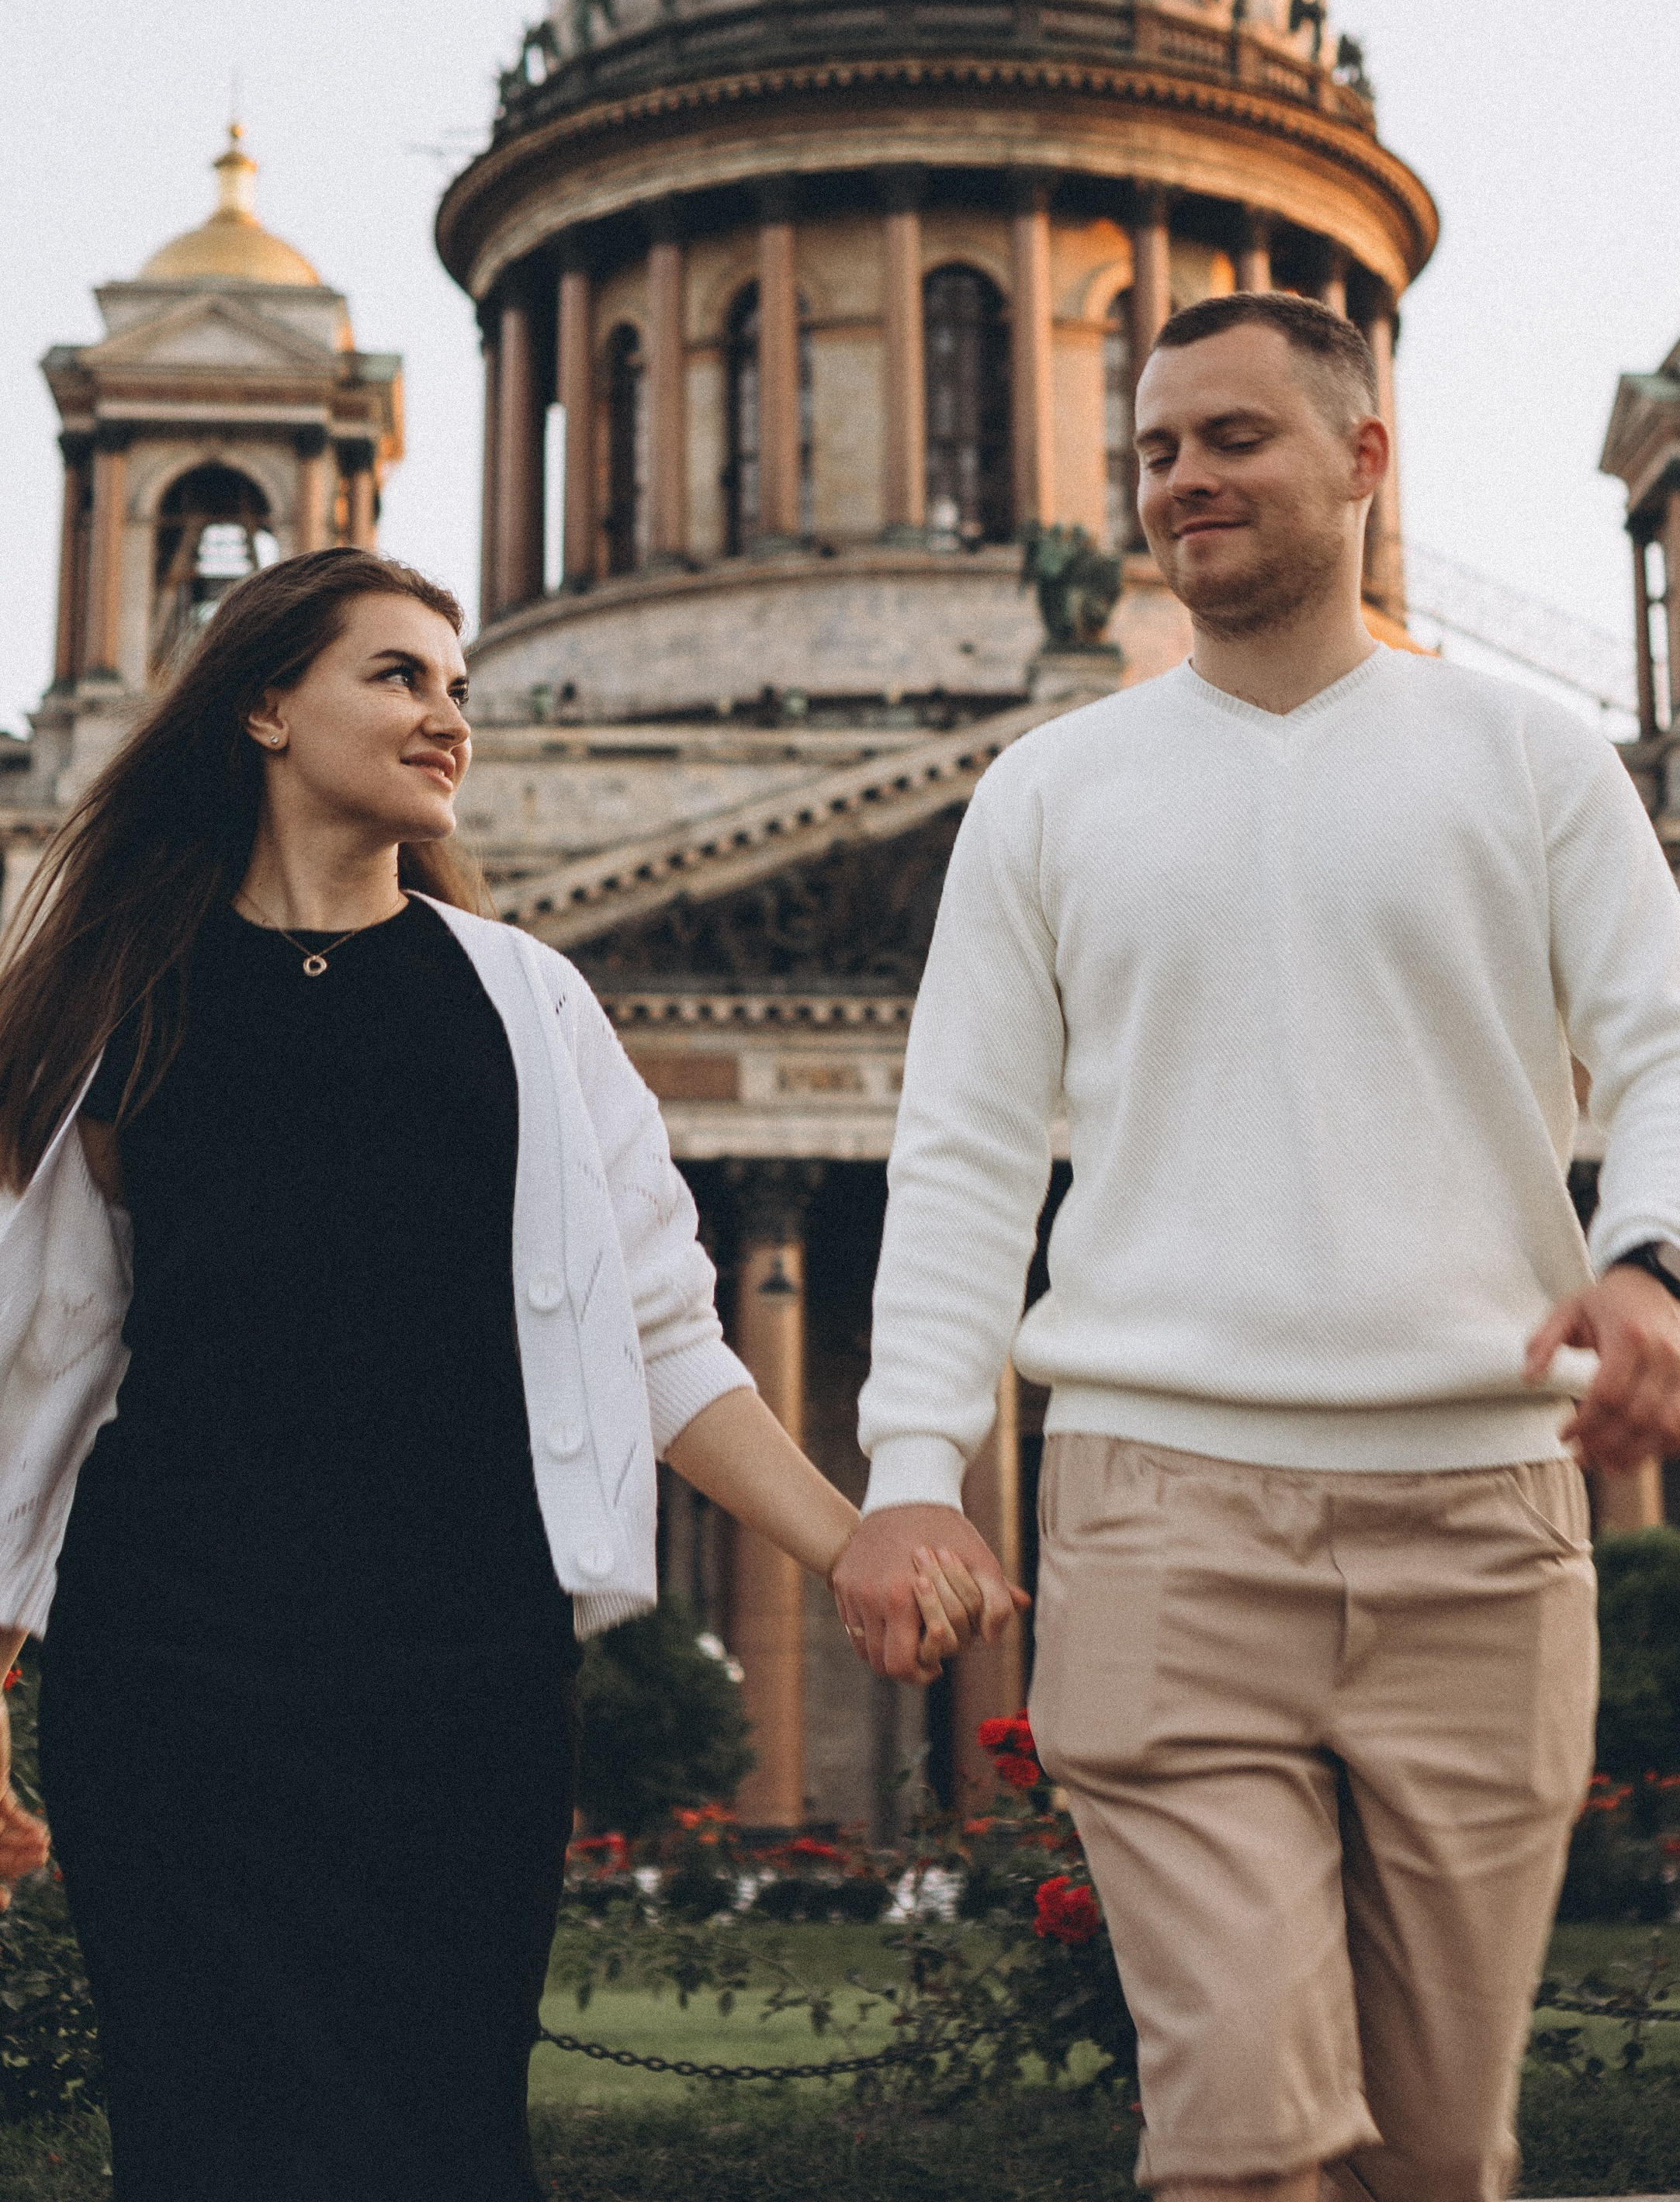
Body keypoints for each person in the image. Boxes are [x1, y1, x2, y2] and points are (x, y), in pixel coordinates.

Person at [834, 295, 1680, 2202]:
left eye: (1233, 438)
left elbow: (1676, 1056)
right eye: (1157, 447)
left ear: (1361, 457)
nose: (1182, 480)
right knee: (1242, 2133)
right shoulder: (1046, 793)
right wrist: (913, 1470)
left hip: (1482, 1532)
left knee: (1436, 2157)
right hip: (1161, 1517)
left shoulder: (1528, 757)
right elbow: (963, 1160)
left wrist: (1654, 1266)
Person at [0, 547, 978, 2202]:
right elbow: (39, 1380)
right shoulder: (119, 1003)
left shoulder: (527, 1002)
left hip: (454, 1670)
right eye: (397, 675)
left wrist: (851, 1535)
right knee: (201, 2138)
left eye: (458, 685)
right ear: (260, 704)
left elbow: (666, 1333)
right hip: (172, 1667)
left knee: (443, 2136)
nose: (446, 714)